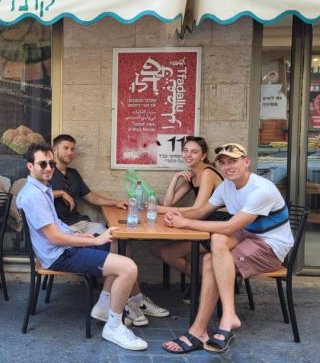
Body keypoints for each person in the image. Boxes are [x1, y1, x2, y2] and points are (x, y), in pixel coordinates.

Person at [161, 143, 294, 354]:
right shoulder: (226, 186)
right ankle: (224, 318)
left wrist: (184, 224)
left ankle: (202, 329)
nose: (227, 166)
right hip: (247, 236)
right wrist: (177, 216)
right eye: (223, 162)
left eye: (233, 161)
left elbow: (230, 226)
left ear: (246, 162)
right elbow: (202, 211)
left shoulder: (262, 189)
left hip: (270, 246)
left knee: (211, 260)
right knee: (216, 244)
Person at [17, 143, 147, 351]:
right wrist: (93, 241)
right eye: (43, 164)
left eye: (51, 163)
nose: (49, 168)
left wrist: (78, 233)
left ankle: (104, 304)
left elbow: (57, 225)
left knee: (117, 243)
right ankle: (114, 326)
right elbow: (54, 238)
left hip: (63, 248)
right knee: (128, 267)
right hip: (60, 255)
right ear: (30, 166)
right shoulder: (33, 195)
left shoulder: (43, 189)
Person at [51, 134, 169, 326]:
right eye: (66, 148)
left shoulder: (73, 174)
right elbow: (35, 193)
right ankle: (133, 300)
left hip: (81, 222)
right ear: (54, 149)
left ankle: (130, 299)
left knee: (119, 239)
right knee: (122, 249)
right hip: (65, 229)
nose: (70, 152)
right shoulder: (47, 173)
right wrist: (60, 192)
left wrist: (115, 202)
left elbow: (90, 196)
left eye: (73, 149)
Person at [150, 136, 224, 301]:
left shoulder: (207, 173)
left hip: (218, 224)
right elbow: (169, 202)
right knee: (155, 247)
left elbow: (198, 209)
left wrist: (161, 209)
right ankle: (203, 280)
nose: (188, 155)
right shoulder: (193, 175)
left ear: (203, 156)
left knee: (169, 253)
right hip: (203, 221)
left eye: (194, 152)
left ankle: (203, 281)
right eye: (185, 151)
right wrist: (176, 178)